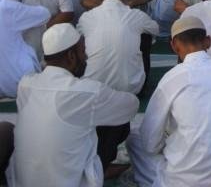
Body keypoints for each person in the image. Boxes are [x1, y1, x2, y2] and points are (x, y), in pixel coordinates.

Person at [127, 16, 211, 187]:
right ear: (208, 42)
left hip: (182, 183)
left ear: (174, 46)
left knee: (134, 139)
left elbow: (149, 143)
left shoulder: (171, 79)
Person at [7, 23, 139, 186]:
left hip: (22, 182)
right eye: (82, 51)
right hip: (70, 182)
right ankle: (102, 169)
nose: (87, 56)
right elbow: (131, 106)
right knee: (116, 119)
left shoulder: (25, 84)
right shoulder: (86, 92)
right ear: (71, 56)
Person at [78, 0, 159, 94]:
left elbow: (78, 33)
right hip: (131, 87)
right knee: (145, 35)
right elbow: (155, 29)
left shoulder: (86, 17)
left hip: (92, 86)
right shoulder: (135, 15)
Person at [0, 0, 50, 98]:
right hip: (21, 84)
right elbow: (45, 14)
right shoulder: (5, 8)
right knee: (34, 25)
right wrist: (19, 5)